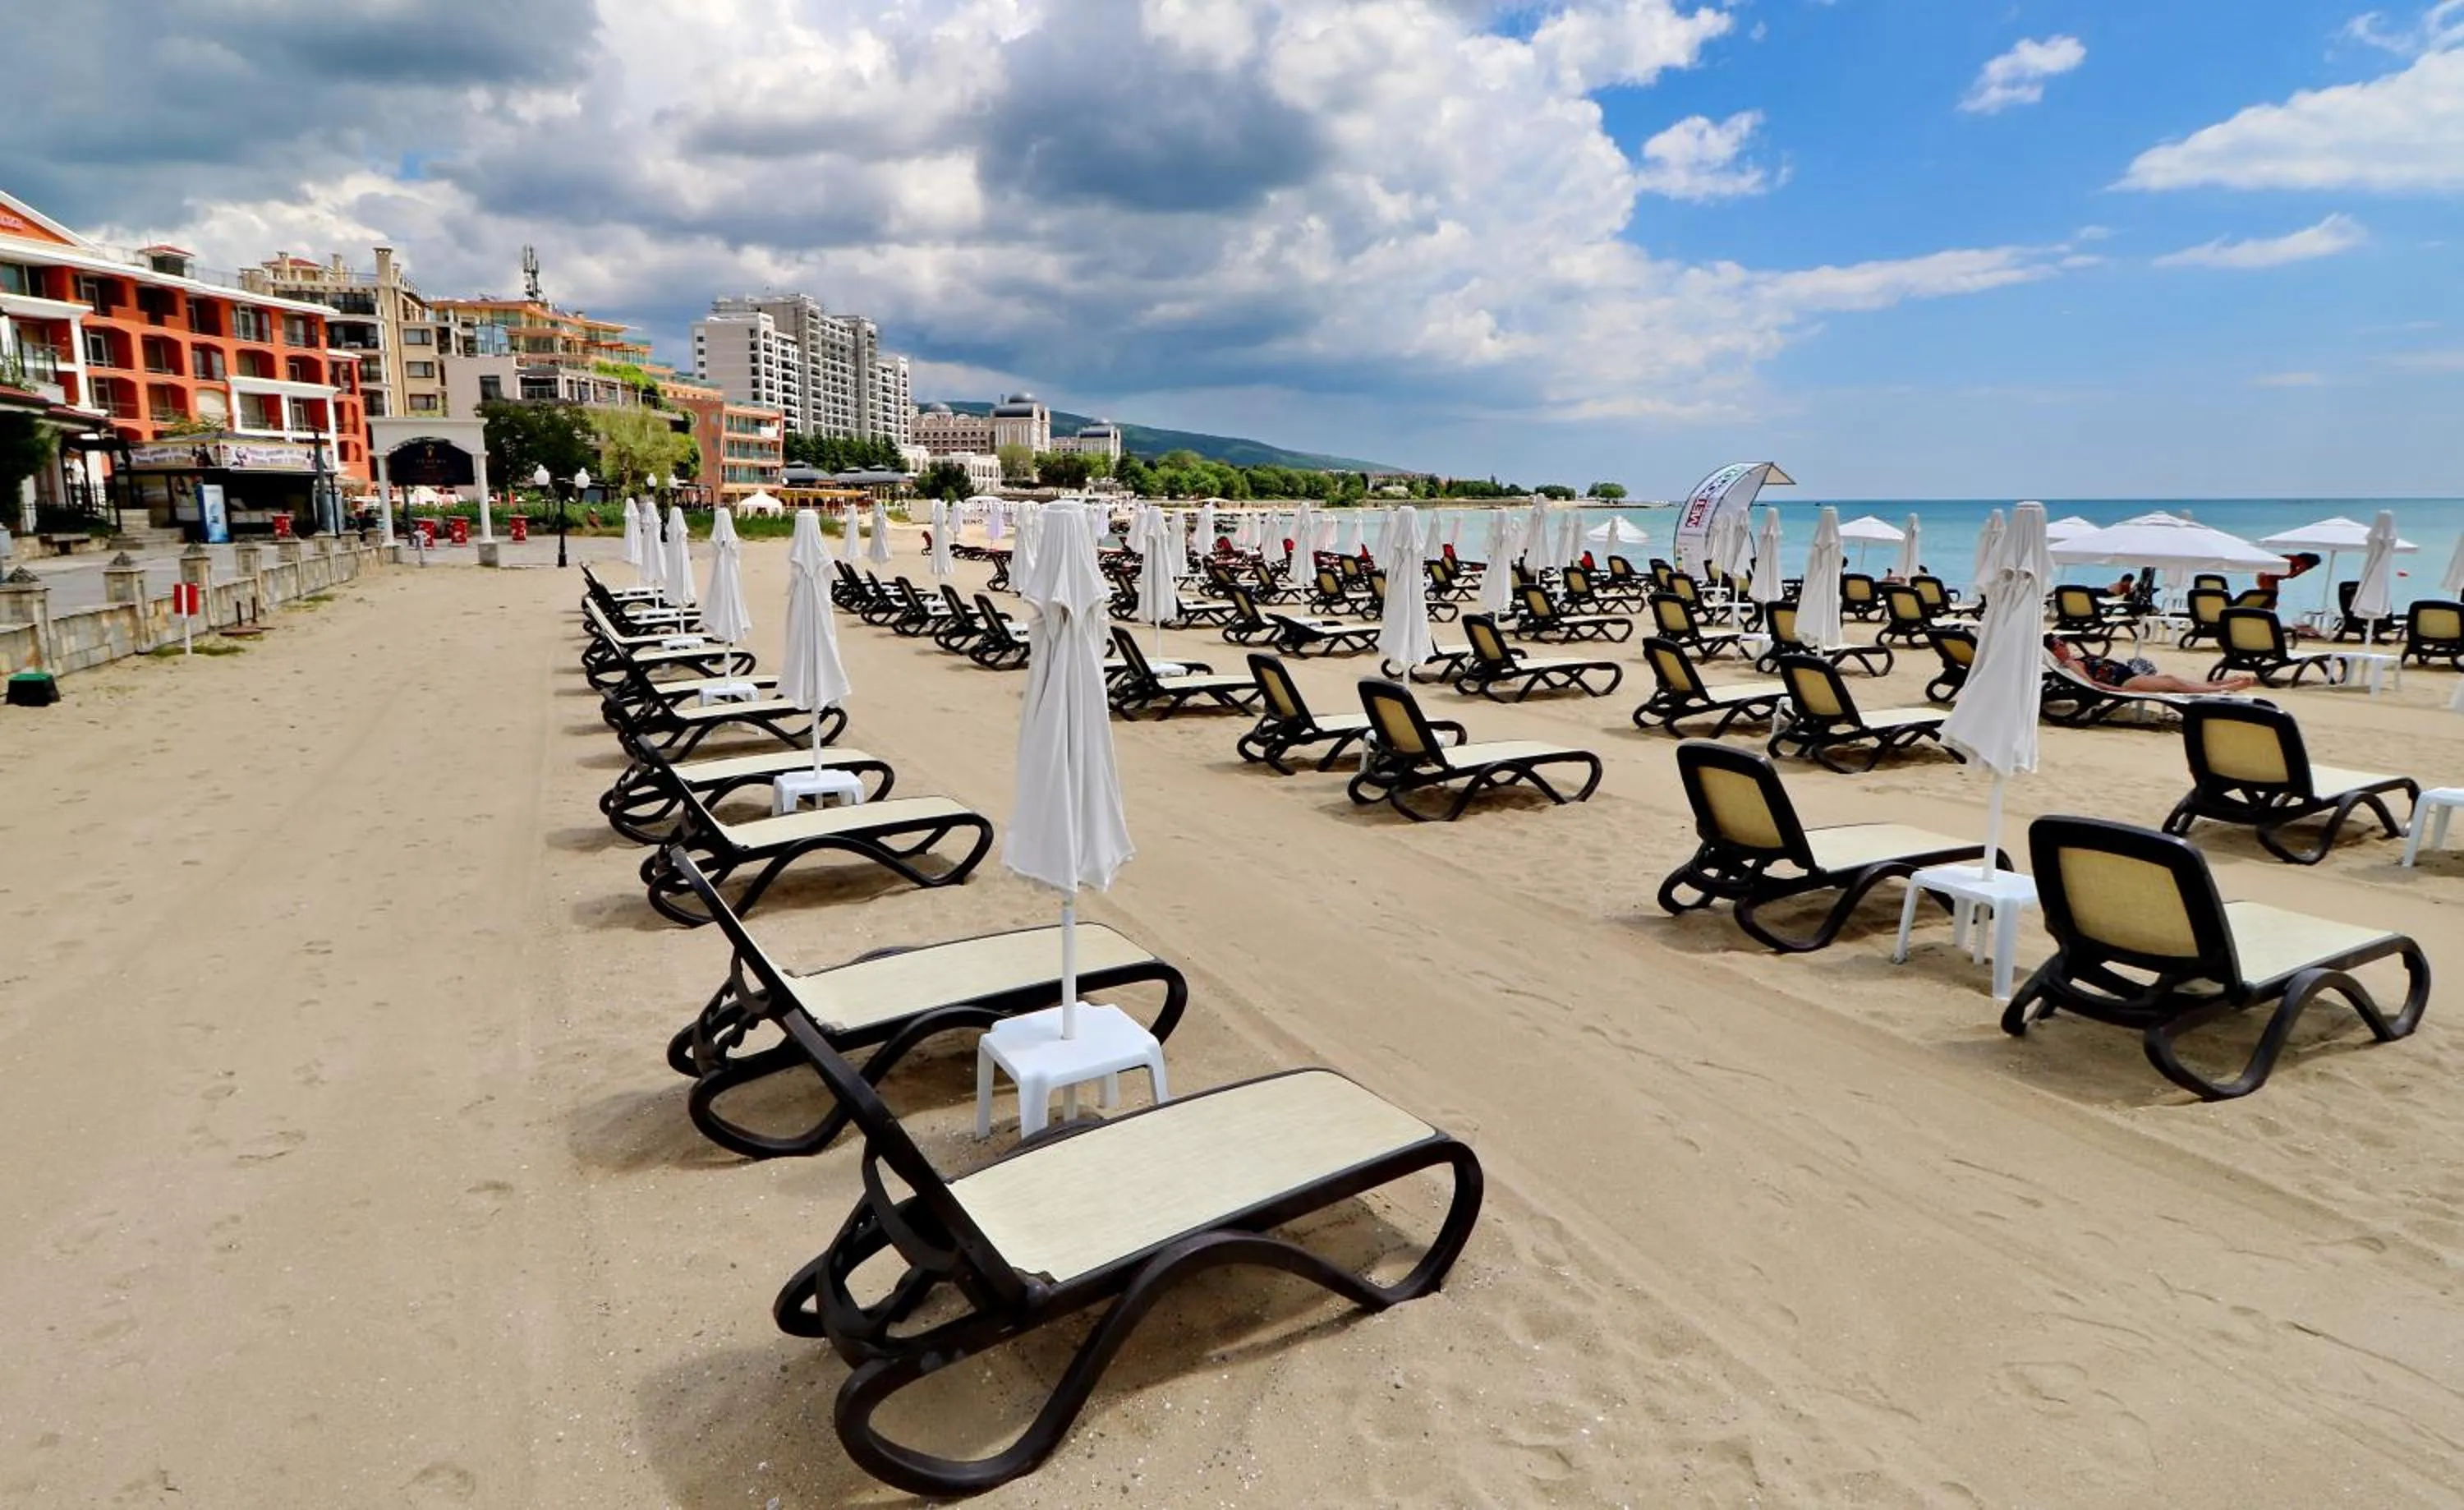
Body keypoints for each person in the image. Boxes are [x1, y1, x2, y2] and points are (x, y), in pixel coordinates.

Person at [2046, 635, 2255, 693]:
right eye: (2058, 645)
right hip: (2126, 683)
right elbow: (2093, 684)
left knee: (2172, 680)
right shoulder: (2071, 664)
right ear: (2054, 651)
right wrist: (2117, 690)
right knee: (2173, 683)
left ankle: (2220, 684)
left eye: (2062, 642)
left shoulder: (2074, 659)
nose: (2063, 645)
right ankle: (2223, 688)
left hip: (2129, 677)